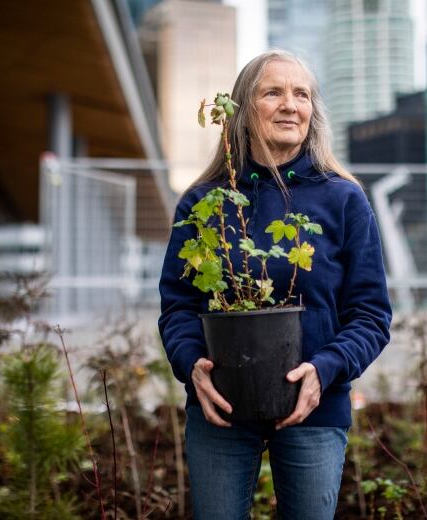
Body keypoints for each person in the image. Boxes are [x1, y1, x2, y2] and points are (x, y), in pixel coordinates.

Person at [158, 50, 392, 519]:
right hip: (221, 406)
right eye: (273, 92)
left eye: (301, 94)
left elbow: (371, 315)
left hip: (316, 406)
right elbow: (179, 306)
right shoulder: (205, 203)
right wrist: (192, 366)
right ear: (243, 111)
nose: (291, 105)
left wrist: (325, 369)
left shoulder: (344, 199)